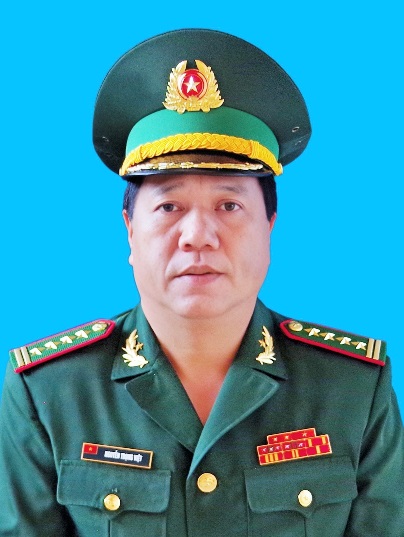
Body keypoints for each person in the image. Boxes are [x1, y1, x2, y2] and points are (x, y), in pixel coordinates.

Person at [0, 28, 403, 537]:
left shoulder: (352, 387)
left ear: (269, 226)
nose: (197, 236)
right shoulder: (50, 391)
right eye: (169, 206)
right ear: (130, 230)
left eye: (229, 205)